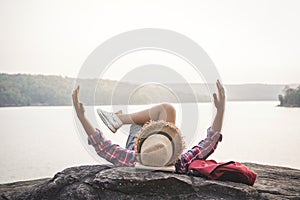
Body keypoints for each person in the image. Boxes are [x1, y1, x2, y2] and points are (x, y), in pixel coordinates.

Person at [72, 80, 225, 173]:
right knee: (167, 110)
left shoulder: (133, 158)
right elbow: (208, 144)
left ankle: (120, 119)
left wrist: (82, 117)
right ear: (172, 150)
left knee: (159, 113)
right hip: (154, 144)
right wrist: (221, 110)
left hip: (138, 139)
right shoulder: (181, 164)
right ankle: (120, 118)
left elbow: (103, 147)